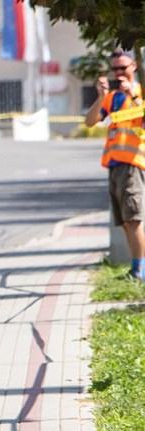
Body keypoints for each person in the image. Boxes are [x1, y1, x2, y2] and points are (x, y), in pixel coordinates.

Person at [86, 49, 145, 281]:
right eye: (114, 69)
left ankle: (139, 271)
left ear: (134, 66)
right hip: (115, 164)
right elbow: (90, 121)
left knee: (134, 219)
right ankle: (136, 268)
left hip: (134, 162)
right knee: (126, 222)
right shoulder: (111, 97)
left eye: (123, 68)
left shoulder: (141, 91)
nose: (119, 73)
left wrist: (134, 96)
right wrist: (100, 97)